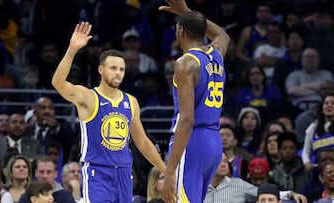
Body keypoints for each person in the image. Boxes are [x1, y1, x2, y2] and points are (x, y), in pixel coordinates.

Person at [51, 22, 166, 202]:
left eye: (121, 69)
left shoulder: (131, 101)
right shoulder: (88, 97)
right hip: (97, 172)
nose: (118, 73)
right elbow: (58, 83)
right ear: (100, 69)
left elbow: (142, 142)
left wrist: (166, 170)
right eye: (113, 68)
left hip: (124, 172)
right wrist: (72, 50)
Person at [158, 0, 230, 202]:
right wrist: (187, 12)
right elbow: (222, 35)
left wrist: (170, 170)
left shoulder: (185, 63)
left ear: (180, 31)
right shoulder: (216, 55)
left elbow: (187, 119)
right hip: (213, 142)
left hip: (193, 141)